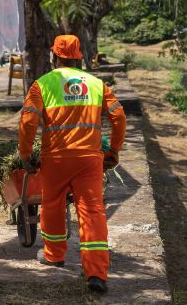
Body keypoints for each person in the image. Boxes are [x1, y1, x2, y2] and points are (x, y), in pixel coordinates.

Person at [18, 34, 126, 293]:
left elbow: (28, 122)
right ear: (78, 57)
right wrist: (113, 150)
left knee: (52, 205)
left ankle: (54, 256)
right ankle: (96, 274)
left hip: (55, 158)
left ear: (54, 56)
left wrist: (24, 154)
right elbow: (119, 116)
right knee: (92, 212)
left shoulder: (42, 85)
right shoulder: (98, 84)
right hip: (89, 159)